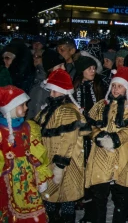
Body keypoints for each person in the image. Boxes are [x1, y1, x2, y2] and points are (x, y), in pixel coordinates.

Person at [85, 66, 128, 223]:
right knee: (99, 195)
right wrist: (99, 137)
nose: (116, 89)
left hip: (123, 153)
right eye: (114, 86)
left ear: (127, 88)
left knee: (121, 196)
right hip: (101, 154)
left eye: (120, 86)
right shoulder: (100, 106)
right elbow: (89, 125)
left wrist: (116, 138)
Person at [35, 69, 91, 223]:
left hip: (66, 164)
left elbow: (68, 140)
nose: (52, 94)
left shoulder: (67, 112)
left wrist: (60, 164)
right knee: (50, 200)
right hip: (49, 162)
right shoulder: (48, 110)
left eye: (55, 91)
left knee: (66, 199)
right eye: (51, 91)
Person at [0, 85, 51, 223]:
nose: (27, 108)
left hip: (28, 181)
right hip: (6, 183)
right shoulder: (1, 132)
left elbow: (38, 154)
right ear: (11, 108)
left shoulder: (29, 128)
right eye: (22, 105)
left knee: (33, 212)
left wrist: (41, 175)